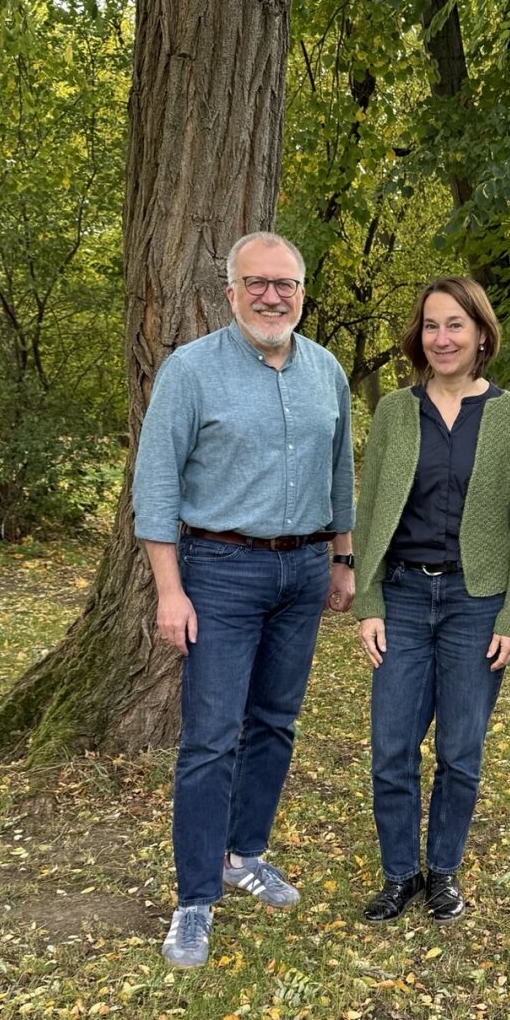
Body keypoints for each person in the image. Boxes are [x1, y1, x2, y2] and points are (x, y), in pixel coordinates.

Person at [132, 231, 355, 970]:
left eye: (285, 284)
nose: (271, 296)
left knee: (274, 723)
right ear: (229, 292)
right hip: (219, 570)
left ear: (301, 291)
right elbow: (156, 484)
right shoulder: (190, 371)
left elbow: (340, 473)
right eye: (256, 283)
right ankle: (194, 898)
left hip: (301, 574)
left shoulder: (326, 371)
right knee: (209, 737)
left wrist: (342, 559)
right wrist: (170, 589)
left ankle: (242, 854)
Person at [353, 277, 510, 923]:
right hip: (403, 596)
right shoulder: (395, 412)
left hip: (475, 602)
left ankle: (442, 872)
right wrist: (368, 600)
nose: (442, 338)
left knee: (460, 751)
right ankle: (398, 874)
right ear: (419, 336)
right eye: (431, 325)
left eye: (455, 325)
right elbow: (372, 505)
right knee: (391, 747)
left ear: (481, 334)